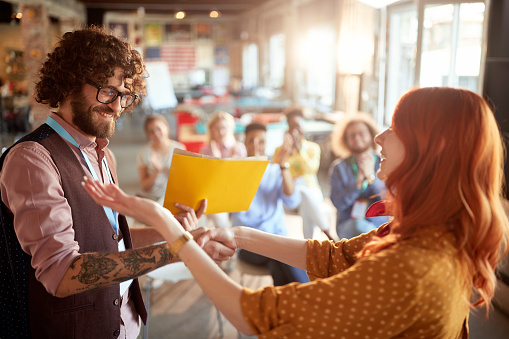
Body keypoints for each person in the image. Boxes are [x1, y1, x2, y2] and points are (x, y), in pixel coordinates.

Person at [84, 87, 509, 338]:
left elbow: (254, 313)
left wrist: (166, 225)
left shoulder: (414, 266)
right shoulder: (429, 233)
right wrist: (240, 234)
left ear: (431, 151)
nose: (380, 135)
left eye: (396, 128)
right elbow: (336, 256)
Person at [0, 26, 233, 339]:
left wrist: (170, 228)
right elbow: (62, 272)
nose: (116, 107)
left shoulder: (102, 154)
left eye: (124, 96)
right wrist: (177, 250)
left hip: (124, 323)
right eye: (107, 91)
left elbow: (111, 238)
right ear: (70, 80)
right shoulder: (33, 159)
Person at [231, 122, 308, 285]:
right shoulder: (234, 171)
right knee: (285, 254)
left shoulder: (275, 170)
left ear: (267, 144)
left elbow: (293, 201)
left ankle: (286, 306)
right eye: (251, 141)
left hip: (277, 239)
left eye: (261, 141)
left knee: (277, 263)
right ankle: (313, 294)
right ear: (244, 142)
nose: (256, 146)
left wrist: (283, 164)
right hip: (248, 244)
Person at [272, 106, 333, 240]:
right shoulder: (280, 151)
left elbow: (311, 170)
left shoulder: (312, 148)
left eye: (298, 126)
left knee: (306, 199)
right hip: (290, 197)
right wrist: (287, 152)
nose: (295, 130)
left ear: (303, 127)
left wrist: (300, 150)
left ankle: (308, 244)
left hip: (312, 191)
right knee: (303, 193)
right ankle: (329, 234)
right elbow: (275, 174)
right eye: (291, 126)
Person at [329, 113, 389, 239]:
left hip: (378, 225)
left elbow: (389, 201)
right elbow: (338, 203)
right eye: (352, 135)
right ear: (345, 140)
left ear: (371, 134)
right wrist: (357, 184)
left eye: (361, 133)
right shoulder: (338, 168)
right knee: (358, 226)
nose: (357, 137)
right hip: (348, 225)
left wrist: (370, 177)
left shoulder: (385, 162)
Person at [200, 111, 246, 228]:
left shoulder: (239, 148)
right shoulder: (205, 151)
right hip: (213, 192)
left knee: (219, 218)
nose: (221, 132)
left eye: (224, 128)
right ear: (211, 130)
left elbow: (239, 177)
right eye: (217, 129)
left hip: (233, 191)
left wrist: (218, 161)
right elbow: (205, 178)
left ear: (230, 128)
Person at [137, 114, 186, 204]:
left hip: (174, 197)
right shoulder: (143, 152)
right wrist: (157, 171)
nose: (156, 133)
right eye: (151, 131)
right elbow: (144, 186)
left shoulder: (180, 148)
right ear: (148, 134)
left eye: (158, 128)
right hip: (153, 198)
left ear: (166, 127)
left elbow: (184, 181)